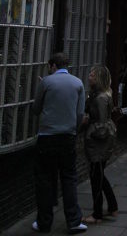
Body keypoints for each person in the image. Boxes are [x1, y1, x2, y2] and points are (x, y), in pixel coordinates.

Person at [32, 52, 87, 234]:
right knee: (69, 179)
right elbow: (80, 114)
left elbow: (36, 109)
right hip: (67, 137)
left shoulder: (46, 82)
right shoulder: (78, 83)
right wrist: (73, 130)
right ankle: (73, 221)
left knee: (45, 180)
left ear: (52, 66)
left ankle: (44, 223)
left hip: (47, 136)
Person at [82, 65, 118, 225]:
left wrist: (89, 125)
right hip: (100, 142)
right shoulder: (98, 95)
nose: (89, 76)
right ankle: (112, 206)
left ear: (99, 79)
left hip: (99, 143)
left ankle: (97, 214)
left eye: (92, 75)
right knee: (99, 175)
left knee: (96, 176)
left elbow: (102, 126)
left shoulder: (101, 98)